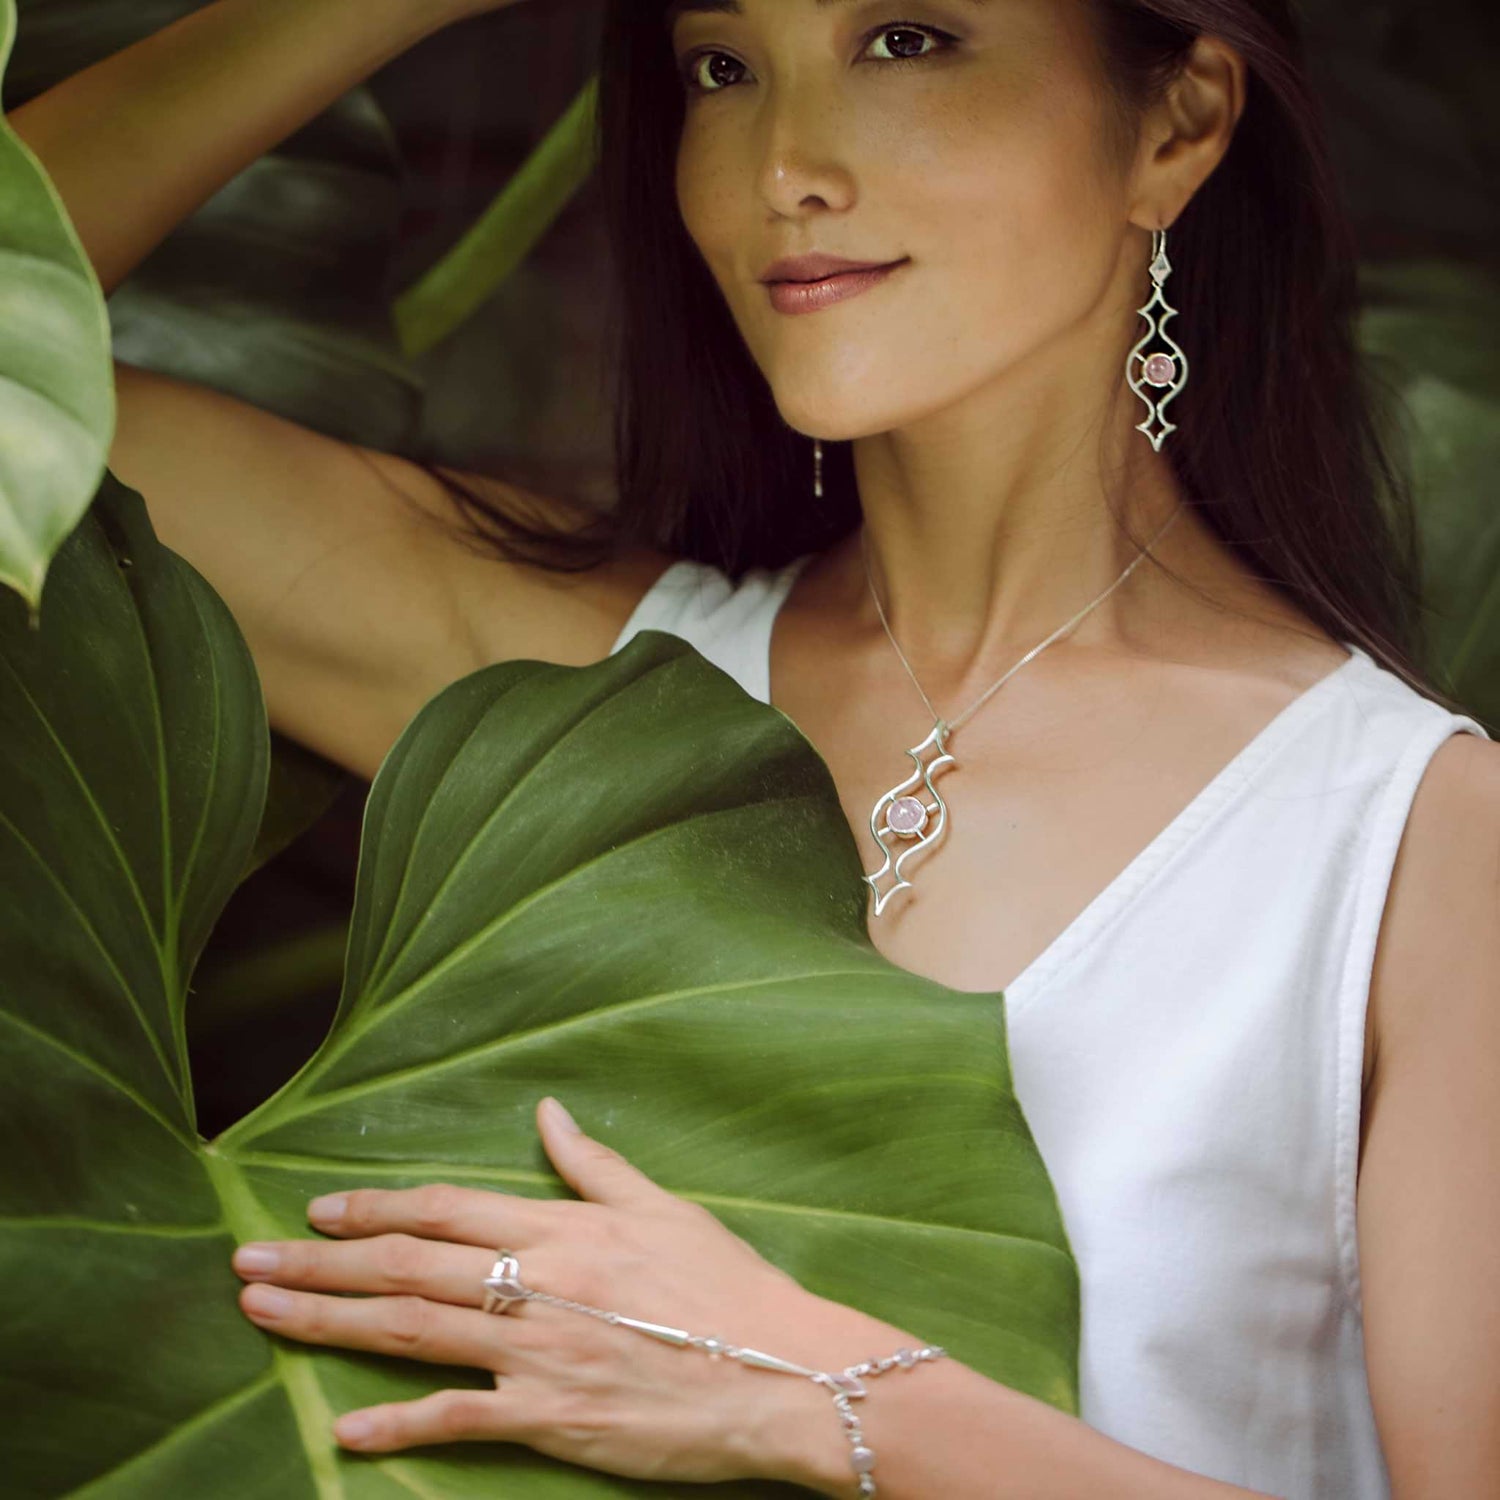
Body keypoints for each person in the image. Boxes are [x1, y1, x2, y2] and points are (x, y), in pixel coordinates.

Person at [13, 0, 1499, 1494]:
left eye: (907, 41)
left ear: (1176, 125)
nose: (784, 163)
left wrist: (833, 1401)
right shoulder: (578, 687)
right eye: (723, 69)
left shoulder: (1414, 837)